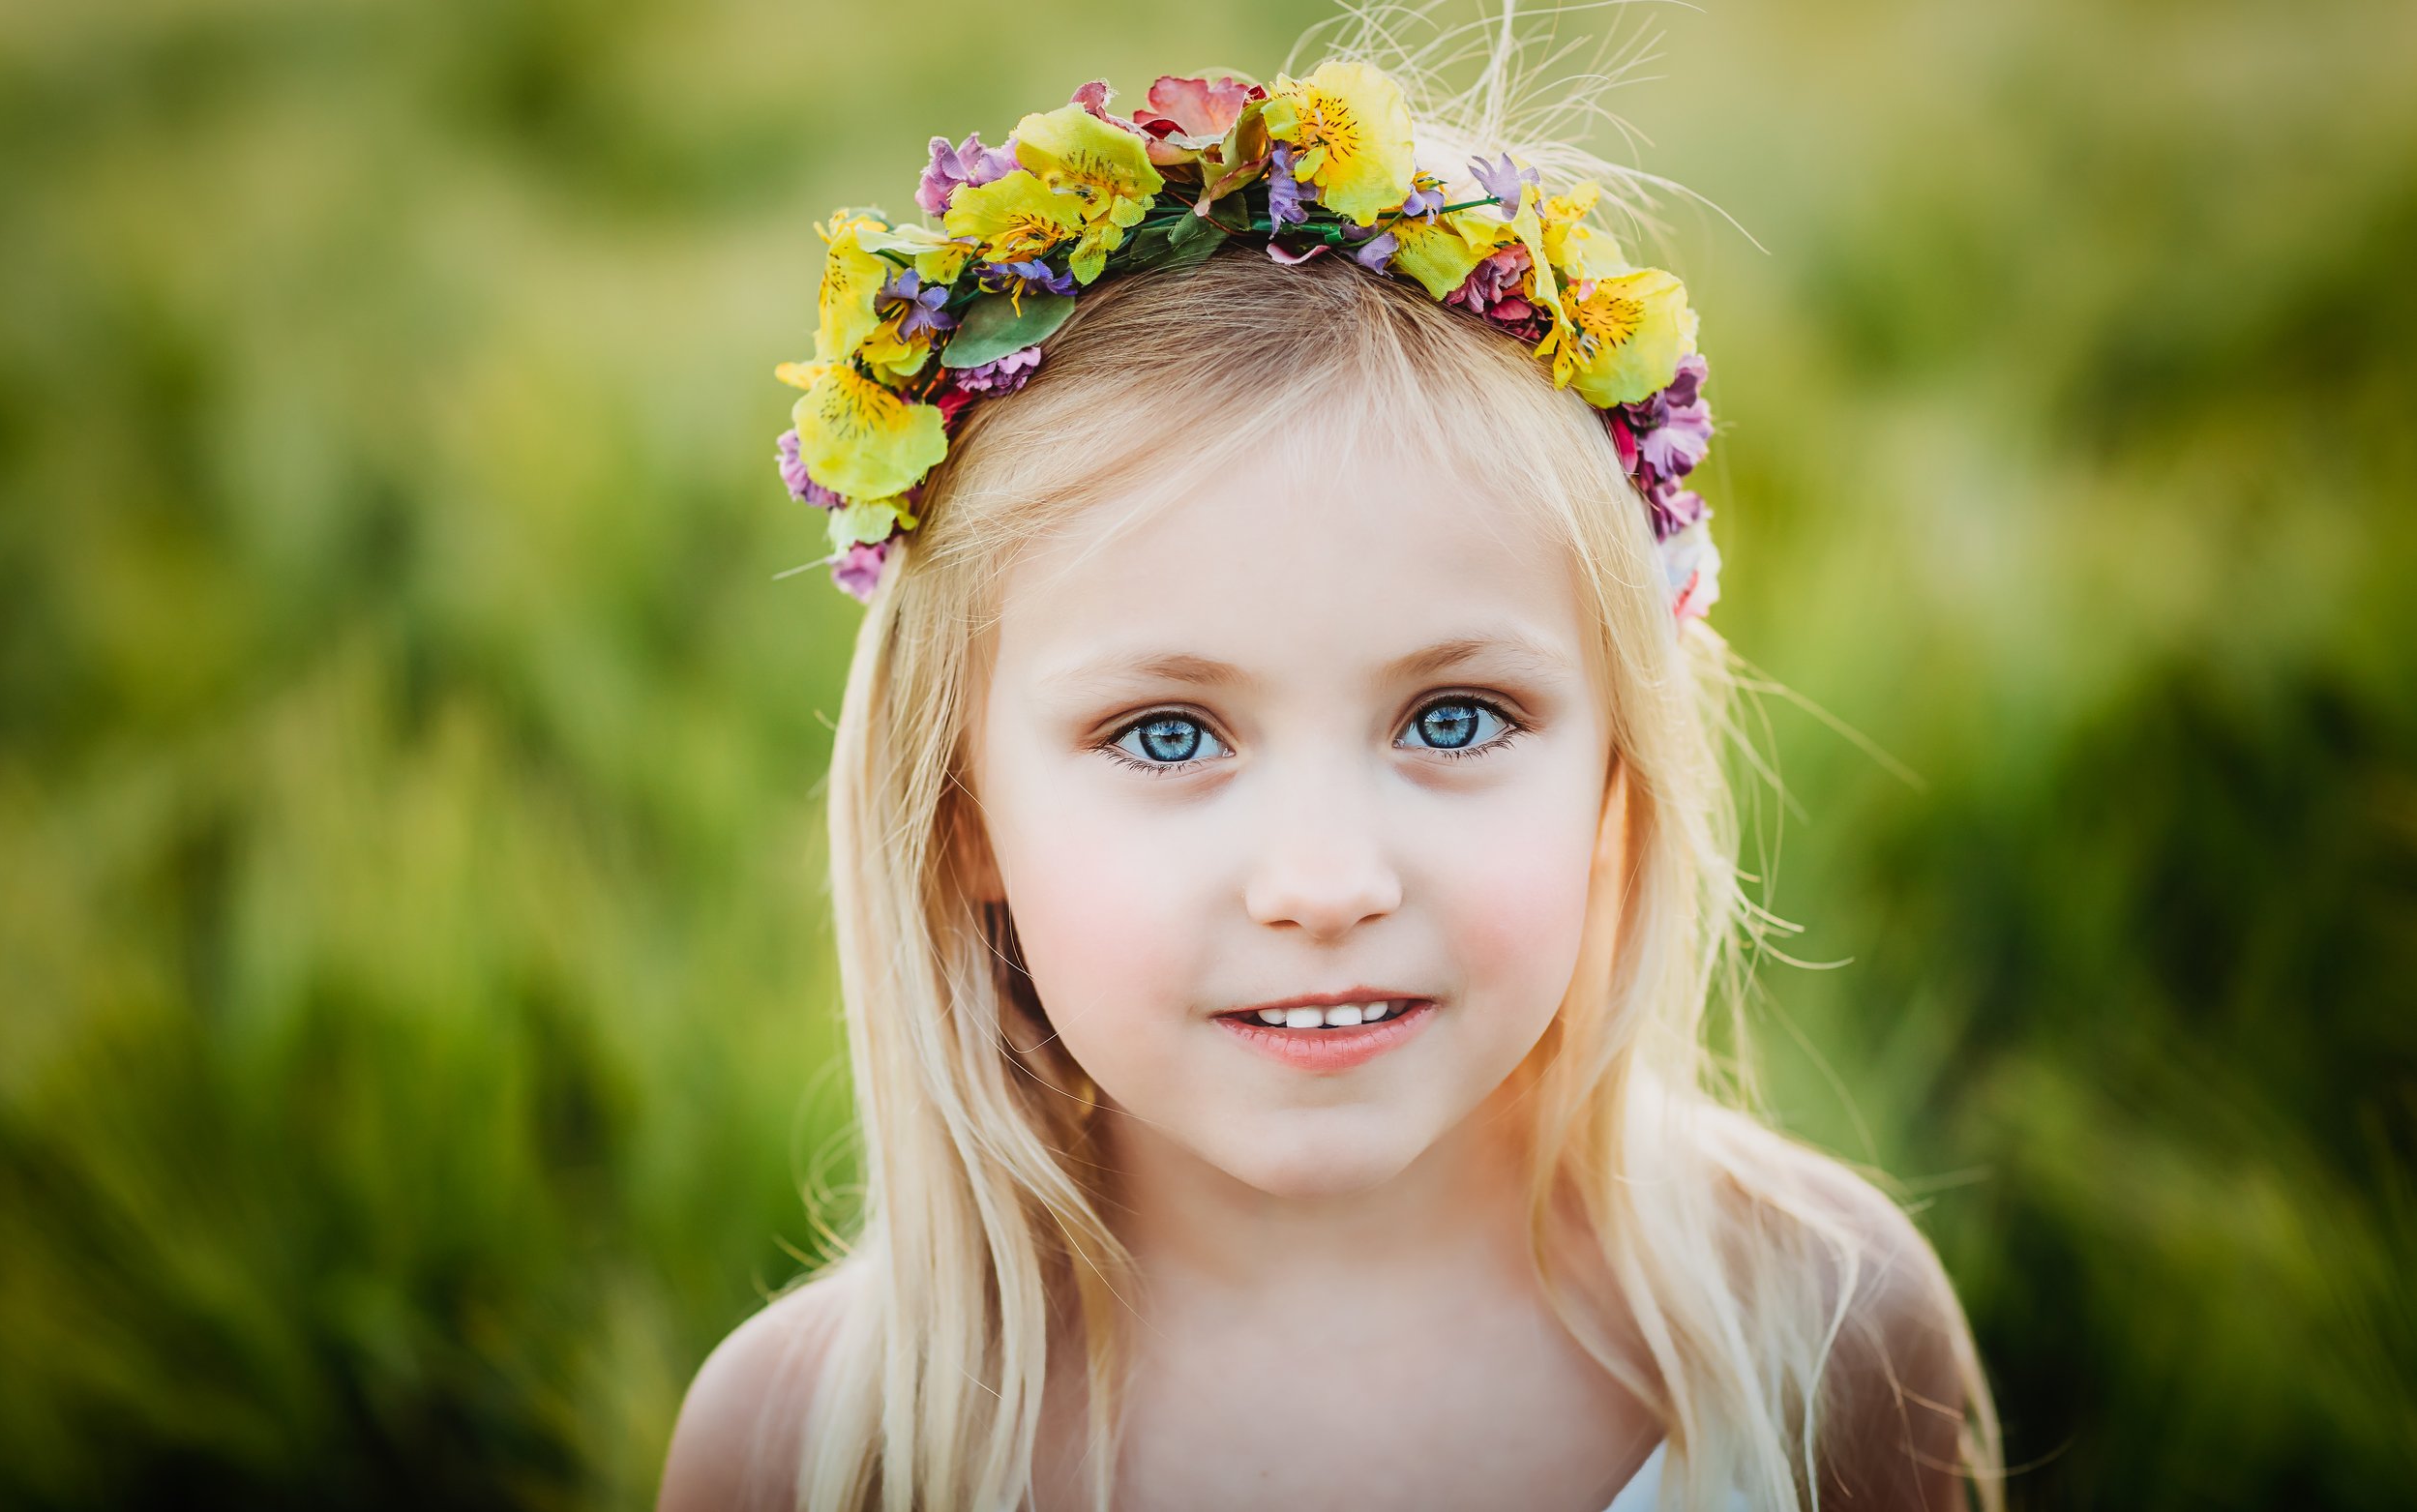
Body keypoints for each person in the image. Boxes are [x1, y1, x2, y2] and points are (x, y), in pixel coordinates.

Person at [661, 7, 2003, 1508]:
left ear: (1615, 767)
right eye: (1166, 735)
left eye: (1454, 719)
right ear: (960, 810)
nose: (1323, 885)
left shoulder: (1821, 1337)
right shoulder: (814, 1447)